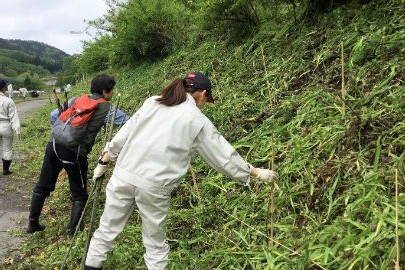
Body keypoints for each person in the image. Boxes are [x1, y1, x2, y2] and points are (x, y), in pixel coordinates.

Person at [83, 72, 278, 270]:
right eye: (206, 100)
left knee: (106, 231)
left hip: (123, 176)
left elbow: (125, 132)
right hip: (155, 186)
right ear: (202, 94)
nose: (204, 104)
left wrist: (105, 159)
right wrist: (255, 172)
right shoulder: (196, 119)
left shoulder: (152, 102)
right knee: (155, 245)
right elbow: (223, 157)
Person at [26, 74, 116, 236]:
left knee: (42, 186)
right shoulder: (106, 107)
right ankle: (74, 231)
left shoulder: (78, 98)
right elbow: (126, 121)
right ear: (105, 91)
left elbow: (55, 115)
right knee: (79, 192)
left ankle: (32, 224)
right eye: (111, 91)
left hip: (53, 144)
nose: (113, 94)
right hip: (74, 152)